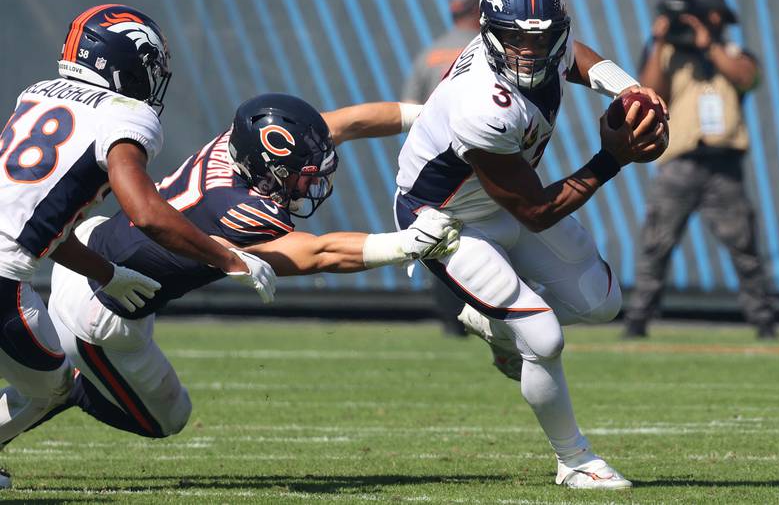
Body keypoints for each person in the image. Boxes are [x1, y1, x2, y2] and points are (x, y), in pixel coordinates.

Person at [0, 93, 460, 487]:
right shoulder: (236, 206)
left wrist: (436, 113)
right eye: (303, 172)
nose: (312, 179)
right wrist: (402, 245)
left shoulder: (235, 147)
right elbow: (315, 254)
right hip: (106, 308)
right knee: (166, 419)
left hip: (98, 255)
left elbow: (345, 123)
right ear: (269, 167)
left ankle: (55, 377)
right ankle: (73, 382)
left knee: (55, 381)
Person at [394, 0, 668, 489]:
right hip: (447, 221)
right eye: (516, 40)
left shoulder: (546, 43)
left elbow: (575, 55)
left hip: (502, 202)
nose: (530, 53)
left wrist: (630, 90)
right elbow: (536, 211)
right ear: (489, 32)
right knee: (543, 338)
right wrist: (612, 159)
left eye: (541, 40)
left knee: (602, 301)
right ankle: (576, 461)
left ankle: (494, 322)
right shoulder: (482, 103)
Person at [0, 4, 277, 487]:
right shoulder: (125, 115)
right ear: (123, 62)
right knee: (52, 387)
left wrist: (106, 273)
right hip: (4, 280)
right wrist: (227, 257)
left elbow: (34, 221)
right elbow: (145, 211)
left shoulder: (36, 95)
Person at [625, 0, 777, 339]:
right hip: (679, 163)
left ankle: (764, 321)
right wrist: (660, 41)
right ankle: (637, 320)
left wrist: (709, 44)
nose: (708, 23)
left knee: (744, 246)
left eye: (713, 18)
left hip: (725, 166)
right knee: (656, 243)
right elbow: (650, 91)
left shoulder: (734, 54)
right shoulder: (669, 56)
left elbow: (745, 78)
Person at [402, 0, 482, 336]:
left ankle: (451, 322)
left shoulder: (429, 53)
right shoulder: (489, 49)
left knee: (439, 240)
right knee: (488, 236)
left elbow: (408, 109)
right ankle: (488, 312)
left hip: (435, 167)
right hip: (483, 160)